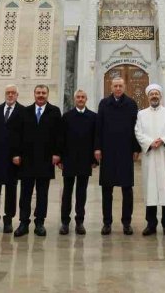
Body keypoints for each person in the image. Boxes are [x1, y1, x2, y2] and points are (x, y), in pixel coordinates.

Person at [12, 84, 62, 237]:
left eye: (44, 93)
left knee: (42, 193)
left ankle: (39, 222)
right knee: (25, 193)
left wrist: (57, 153)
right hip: (27, 159)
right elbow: (17, 135)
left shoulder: (54, 111)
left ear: (48, 94)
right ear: (34, 94)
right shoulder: (25, 111)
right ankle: (23, 222)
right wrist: (16, 154)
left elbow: (58, 135)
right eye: (38, 93)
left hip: (45, 159)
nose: (41, 95)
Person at [95, 76, 141, 235]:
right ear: (111, 87)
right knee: (107, 188)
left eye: (120, 86)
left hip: (125, 151)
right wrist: (97, 148)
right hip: (107, 151)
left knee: (127, 188)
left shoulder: (131, 104)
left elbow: (136, 128)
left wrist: (136, 149)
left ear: (124, 87)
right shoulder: (104, 104)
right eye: (115, 86)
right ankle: (107, 222)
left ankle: (126, 222)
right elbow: (98, 127)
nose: (118, 88)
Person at [134, 84, 165, 236]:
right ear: (148, 97)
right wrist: (149, 142)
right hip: (150, 155)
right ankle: (151, 224)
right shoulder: (141, 114)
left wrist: (163, 140)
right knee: (150, 189)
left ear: (160, 96)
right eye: (151, 94)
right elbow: (138, 132)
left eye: (156, 94)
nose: (154, 96)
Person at [0, 84, 24, 234]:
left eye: (13, 93)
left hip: (12, 158)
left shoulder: (22, 111)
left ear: (17, 95)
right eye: (8, 92)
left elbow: (23, 136)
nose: (10, 95)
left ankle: (8, 220)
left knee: (11, 189)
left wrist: (19, 154)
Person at [59, 89, 97, 235]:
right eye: (78, 97)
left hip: (85, 160)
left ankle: (79, 221)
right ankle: (65, 222)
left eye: (83, 97)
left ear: (86, 99)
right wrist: (60, 158)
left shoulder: (93, 117)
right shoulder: (67, 116)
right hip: (69, 159)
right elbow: (61, 138)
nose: (80, 99)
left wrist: (94, 160)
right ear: (75, 99)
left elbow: (95, 140)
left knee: (82, 192)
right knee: (67, 192)